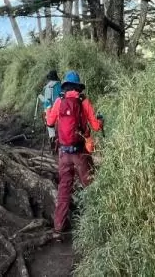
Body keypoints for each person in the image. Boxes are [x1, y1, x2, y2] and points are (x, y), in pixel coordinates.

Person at [45, 70, 103, 234]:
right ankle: (95, 225)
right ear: (78, 87)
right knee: (90, 186)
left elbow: (50, 123)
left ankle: (58, 227)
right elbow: (96, 126)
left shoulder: (59, 101)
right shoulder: (83, 101)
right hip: (81, 153)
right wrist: (100, 121)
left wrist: (49, 113)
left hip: (64, 153)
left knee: (64, 189)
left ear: (65, 86)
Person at [39, 69, 61, 153]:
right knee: (59, 128)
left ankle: (52, 144)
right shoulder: (60, 85)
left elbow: (46, 101)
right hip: (59, 110)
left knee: (50, 127)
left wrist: (40, 97)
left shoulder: (47, 87)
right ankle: (58, 144)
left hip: (50, 110)